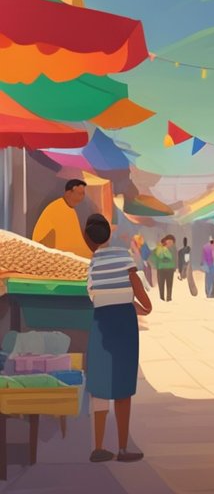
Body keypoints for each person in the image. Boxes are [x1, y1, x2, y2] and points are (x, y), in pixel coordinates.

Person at [84, 214, 151, 463]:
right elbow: (135, 283)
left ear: (88, 239)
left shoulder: (92, 263)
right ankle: (123, 448)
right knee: (124, 385)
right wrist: (142, 304)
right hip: (124, 321)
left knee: (100, 384)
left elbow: (93, 295)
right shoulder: (124, 255)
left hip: (102, 322)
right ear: (109, 235)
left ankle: (98, 447)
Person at [31, 179, 90, 258]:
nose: (82, 197)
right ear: (68, 193)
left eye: (83, 194)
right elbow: (64, 243)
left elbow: (76, 240)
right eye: (80, 194)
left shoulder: (71, 210)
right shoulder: (57, 208)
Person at [152, 236, 177, 301]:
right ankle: (168, 298)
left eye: (171, 242)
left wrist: (155, 266)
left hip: (161, 268)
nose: (170, 243)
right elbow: (175, 258)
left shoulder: (158, 248)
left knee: (161, 284)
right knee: (169, 284)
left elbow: (154, 258)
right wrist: (175, 267)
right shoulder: (173, 248)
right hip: (169, 268)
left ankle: (162, 298)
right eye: (169, 241)